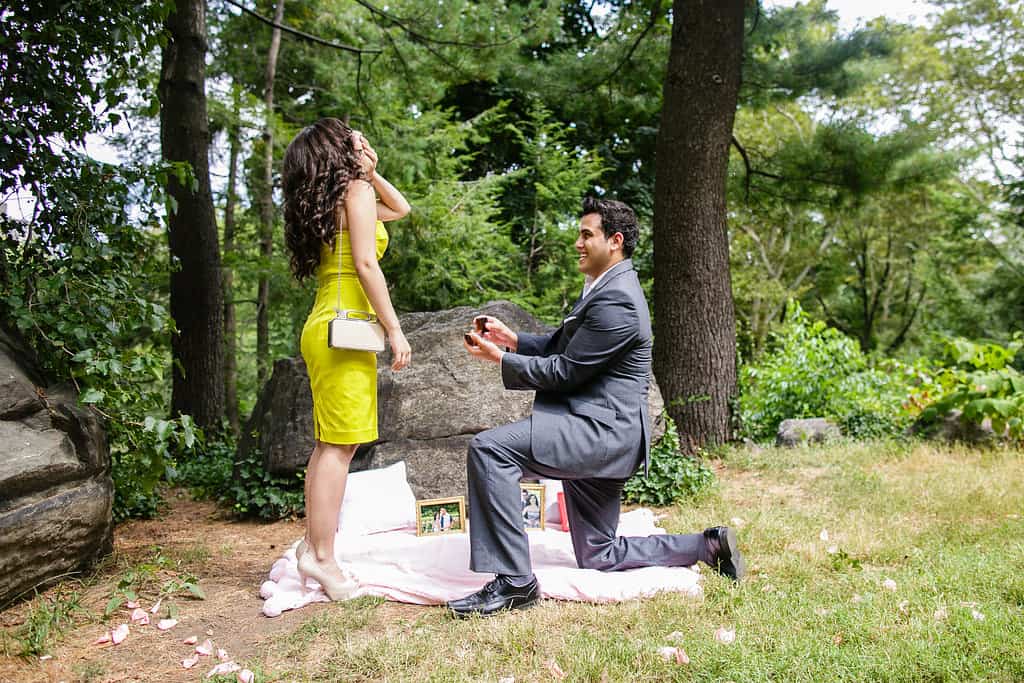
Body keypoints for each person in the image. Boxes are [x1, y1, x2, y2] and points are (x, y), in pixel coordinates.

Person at [448, 197, 745, 617]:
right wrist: (513, 340)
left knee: (490, 450)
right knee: (599, 554)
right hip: (608, 433)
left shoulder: (618, 299)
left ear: (615, 241)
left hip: (599, 433)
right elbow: (571, 344)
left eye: (587, 234)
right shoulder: (607, 288)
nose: (578, 243)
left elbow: (567, 371)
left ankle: (515, 582)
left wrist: (500, 360)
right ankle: (707, 545)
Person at [281, 118, 412, 600]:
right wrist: (395, 330)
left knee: (329, 446)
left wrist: (372, 172)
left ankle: (314, 548)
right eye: (354, 135)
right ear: (340, 149)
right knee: (339, 447)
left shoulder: (339, 199)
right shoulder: (351, 195)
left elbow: (400, 208)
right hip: (345, 332)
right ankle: (321, 557)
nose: (363, 136)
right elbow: (365, 263)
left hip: (327, 327)